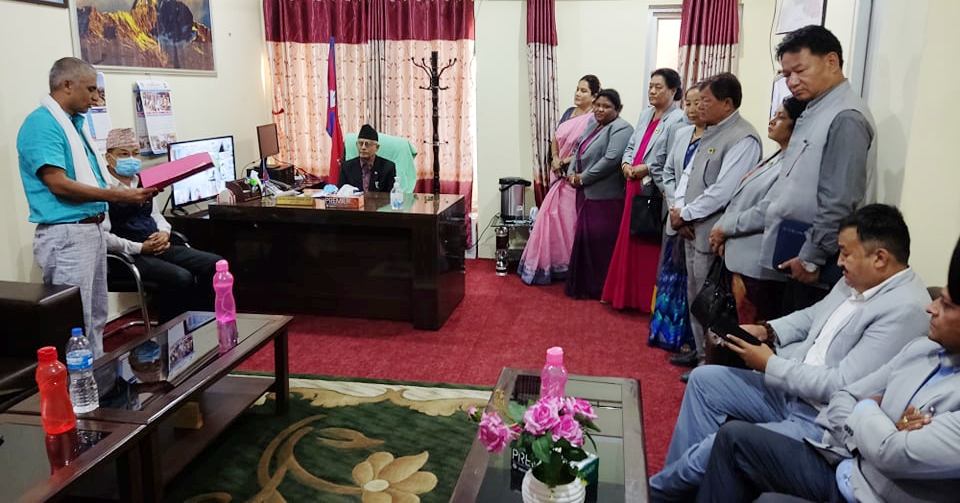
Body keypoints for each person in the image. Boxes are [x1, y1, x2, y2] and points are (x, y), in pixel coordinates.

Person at [649, 204, 932, 501]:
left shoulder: (904, 311)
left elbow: (841, 384)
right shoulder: (860, 279)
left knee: (715, 445)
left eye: (845, 253)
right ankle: (680, 489)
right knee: (705, 381)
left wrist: (770, 364)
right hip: (790, 390)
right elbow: (813, 315)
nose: (839, 261)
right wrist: (767, 330)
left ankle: (656, 492)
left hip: (819, 418)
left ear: (880, 258)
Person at [697, 236, 960, 503]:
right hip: (844, 460)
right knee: (714, 402)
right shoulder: (921, 348)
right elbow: (845, 396)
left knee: (750, 480)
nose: (931, 307)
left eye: (946, 305)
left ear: (879, 258)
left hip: (860, 480)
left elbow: (890, 452)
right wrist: (884, 423)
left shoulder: (905, 309)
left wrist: (867, 407)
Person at [17, 57, 155, 357]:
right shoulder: (42, 124)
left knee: (95, 316)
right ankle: (76, 382)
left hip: (91, 230)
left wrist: (127, 192)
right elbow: (58, 184)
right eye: (91, 89)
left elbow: (96, 180)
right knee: (74, 323)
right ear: (67, 85)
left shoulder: (74, 125)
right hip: (67, 235)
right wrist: (118, 197)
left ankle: (96, 377)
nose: (96, 98)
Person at [758, 25, 876, 312]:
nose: (792, 82)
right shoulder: (815, 108)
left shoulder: (846, 116)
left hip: (816, 260)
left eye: (800, 71)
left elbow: (840, 198)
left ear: (831, 61)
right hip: (794, 248)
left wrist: (812, 257)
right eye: (786, 75)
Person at [668, 73, 762, 373]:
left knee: (711, 300)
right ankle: (698, 352)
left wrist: (686, 213)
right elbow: (687, 176)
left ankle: (710, 362)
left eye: (706, 101)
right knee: (694, 295)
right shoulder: (709, 131)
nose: (699, 107)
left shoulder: (743, 138)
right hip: (690, 227)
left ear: (727, 103)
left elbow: (724, 191)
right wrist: (678, 210)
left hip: (712, 232)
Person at [706, 97, 808, 359]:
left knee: (751, 329)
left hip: (757, 262)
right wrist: (723, 228)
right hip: (738, 254)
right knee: (734, 321)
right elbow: (740, 197)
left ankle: (738, 374)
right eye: (774, 114)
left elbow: (766, 210)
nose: (772, 121)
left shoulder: (796, 164)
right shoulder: (775, 156)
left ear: (798, 125)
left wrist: (725, 228)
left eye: (781, 117)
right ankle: (721, 365)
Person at [101, 128, 223, 323]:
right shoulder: (102, 189)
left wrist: (164, 233)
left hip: (157, 245)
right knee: (180, 277)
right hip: (127, 256)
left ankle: (203, 322)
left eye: (135, 153)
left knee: (215, 264)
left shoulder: (143, 181)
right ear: (109, 157)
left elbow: (156, 215)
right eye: (123, 154)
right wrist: (141, 247)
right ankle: (171, 333)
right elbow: (104, 237)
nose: (131, 158)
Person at [602, 69, 685, 311]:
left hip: (652, 186)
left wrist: (645, 168)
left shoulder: (678, 119)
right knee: (628, 237)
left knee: (646, 238)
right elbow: (631, 145)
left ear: (673, 90)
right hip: (632, 182)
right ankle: (622, 295)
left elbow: (672, 157)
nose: (652, 91)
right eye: (650, 86)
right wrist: (626, 164)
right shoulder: (645, 113)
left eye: (658, 87)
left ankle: (642, 298)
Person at [518, 75, 601, 285]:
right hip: (558, 174)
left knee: (569, 222)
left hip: (574, 178)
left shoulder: (594, 119)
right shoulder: (569, 113)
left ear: (594, 96)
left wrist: (564, 161)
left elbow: (588, 149)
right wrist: (555, 158)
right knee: (549, 219)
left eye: (583, 91)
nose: (578, 93)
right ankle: (548, 264)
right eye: (577, 89)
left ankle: (568, 266)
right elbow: (555, 138)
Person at [650, 84, 706, 353]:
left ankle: (690, 340)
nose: (692, 109)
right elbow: (667, 172)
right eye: (689, 104)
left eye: (699, 103)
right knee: (670, 273)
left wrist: (687, 213)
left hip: (697, 221)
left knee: (692, 281)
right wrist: (675, 207)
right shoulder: (682, 133)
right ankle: (665, 333)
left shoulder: (715, 138)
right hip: (674, 215)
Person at [564, 89, 633, 299]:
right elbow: (577, 150)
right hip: (585, 193)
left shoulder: (622, 128)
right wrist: (571, 174)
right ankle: (582, 285)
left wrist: (582, 178)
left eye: (606, 106)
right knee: (585, 240)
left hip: (605, 198)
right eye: (598, 105)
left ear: (618, 109)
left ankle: (599, 288)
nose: (600, 110)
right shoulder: (593, 124)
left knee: (600, 244)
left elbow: (610, 160)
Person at [338, 124, 397, 192]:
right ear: (356, 145)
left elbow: (391, 195)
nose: (363, 147)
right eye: (360, 144)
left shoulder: (388, 167)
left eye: (367, 144)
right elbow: (341, 194)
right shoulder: (346, 167)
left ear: (377, 147)